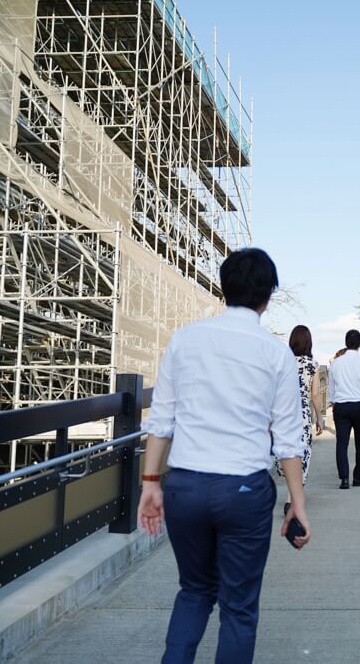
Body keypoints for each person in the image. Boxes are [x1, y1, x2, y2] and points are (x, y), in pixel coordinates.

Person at [139, 248, 311, 664]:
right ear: (268, 295)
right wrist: (297, 504)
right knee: (238, 607)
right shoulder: (276, 354)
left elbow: (162, 420)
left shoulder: (185, 339)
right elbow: (288, 439)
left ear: (224, 287)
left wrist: (150, 483)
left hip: (185, 486)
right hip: (243, 490)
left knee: (195, 590)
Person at [274, 325, 323, 514]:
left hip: (283, 412)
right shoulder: (312, 365)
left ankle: (291, 496)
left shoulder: (282, 363)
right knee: (301, 453)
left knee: (284, 451)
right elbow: (316, 395)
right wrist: (319, 418)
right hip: (302, 413)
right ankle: (291, 499)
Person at [328, 329, 360, 489]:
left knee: (341, 443)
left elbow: (331, 390)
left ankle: (344, 478)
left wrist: (334, 405)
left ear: (346, 343)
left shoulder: (335, 364)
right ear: (359, 344)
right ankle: (357, 476)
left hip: (341, 406)